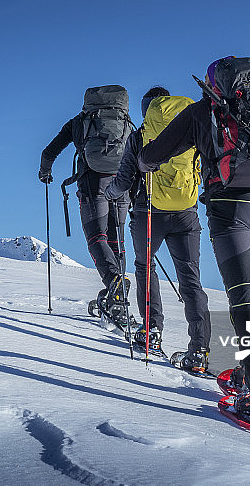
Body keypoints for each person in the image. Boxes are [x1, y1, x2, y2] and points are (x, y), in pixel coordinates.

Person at [137, 57, 250, 426]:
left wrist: (145, 163)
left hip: (230, 209)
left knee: (242, 300)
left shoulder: (204, 112)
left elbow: (154, 153)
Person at [104, 87, 211, 372]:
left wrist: (109, 193)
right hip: (186, 213)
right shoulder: (192, 129)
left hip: (149, 212)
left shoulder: (140, 136)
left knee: (145, 266)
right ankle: (199, 348)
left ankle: (151, 332)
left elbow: (125, 179)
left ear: (146, 109)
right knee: (190, 279)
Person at [39, 85, 132, 318]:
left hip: (93, 185)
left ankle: (114, 282)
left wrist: (45, 173)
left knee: (96, 237)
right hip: (122, 185)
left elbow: (48, 153)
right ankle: (117, 293)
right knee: (115, 239)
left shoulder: (78, 122)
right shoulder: (126, 122)